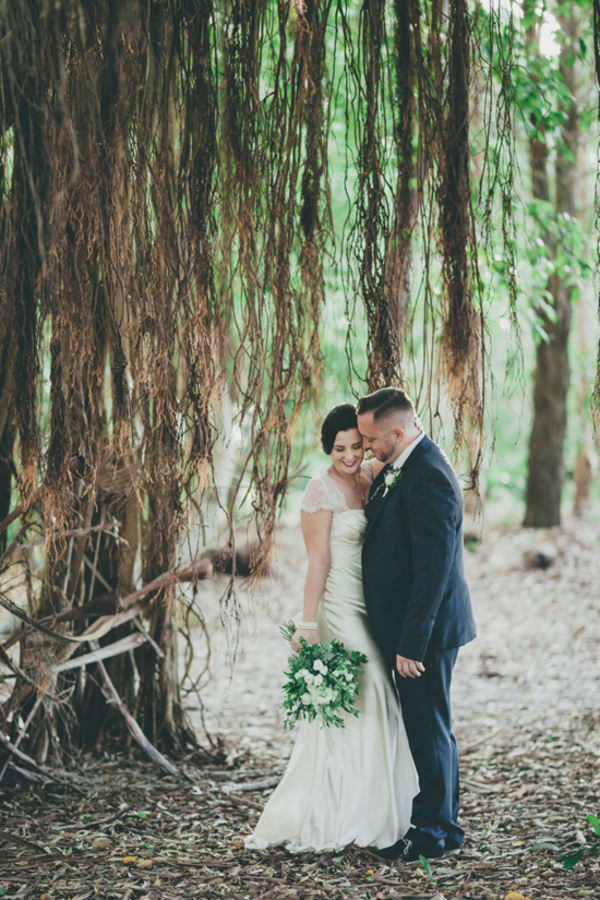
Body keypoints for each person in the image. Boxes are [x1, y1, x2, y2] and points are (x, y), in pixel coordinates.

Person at [245, 403, 418, 853]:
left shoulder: (372, 480)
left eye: (356, 447)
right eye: (340, 448)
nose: (349, 455)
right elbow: (318, 562)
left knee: (381, 699)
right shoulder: (319, 492)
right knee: (371, 690)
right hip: (340, 609)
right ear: (328, 448)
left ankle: (381, 808)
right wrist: (307, 624)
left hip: (374, 606)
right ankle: (346, 812)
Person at [357, 387, 477, 862]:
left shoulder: (428, 475)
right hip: (415, 629)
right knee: (432, 726)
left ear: (398, 433)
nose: (366, 447)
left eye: (370, 439)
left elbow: (434, 571)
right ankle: (443, 824)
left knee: (429, 728)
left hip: (425, 633)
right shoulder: (404, 465)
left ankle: (432, 833)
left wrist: (412, 643)